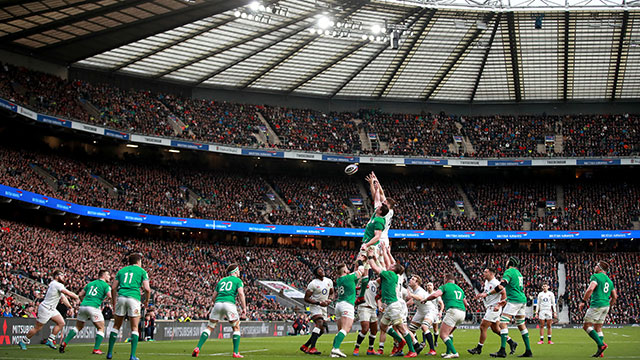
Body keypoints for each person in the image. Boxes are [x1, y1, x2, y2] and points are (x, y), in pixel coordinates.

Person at [367, 247, 417, 358]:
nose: (389, 265)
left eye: (392, 265)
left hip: (393, 305)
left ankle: (412, 350)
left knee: (401, 328)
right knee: (383, 326)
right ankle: (401, 341)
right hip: (389, 305)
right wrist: (378, 256)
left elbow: (375, 268)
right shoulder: (392, 275)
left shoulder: (389, 274)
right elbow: (381, 265)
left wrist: (370, 256)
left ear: (393, 268)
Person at [480, 256, 532, 358]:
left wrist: (488, 293)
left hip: (514, 301)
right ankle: (528, 350)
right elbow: (515, 289)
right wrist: (505, 300)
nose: (506, 262)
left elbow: (501, 286)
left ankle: (502, 351)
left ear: (510, 262)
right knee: (521, 325)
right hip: (522, 300)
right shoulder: (519, 273)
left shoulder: (509, 272)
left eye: (507, 261)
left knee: (503, 323)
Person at [193, 263, 247, 358]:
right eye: (238, 271)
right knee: (236, 327)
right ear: (234, 271)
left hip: (218, 303)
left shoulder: (221, 281)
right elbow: (241, 294)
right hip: (229, 304)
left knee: (210, 327)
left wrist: (217, 304)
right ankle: (235, 352)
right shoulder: (238, 280)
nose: (239, 272)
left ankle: (198, 348)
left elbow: (213, 297)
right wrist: (244, 308)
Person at [18, 270, 80, 350]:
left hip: (52, 309)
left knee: (61, 323)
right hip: (46, 308)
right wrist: (77, 297)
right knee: (37, 328)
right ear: (57, 276)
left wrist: (70, 307)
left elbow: (63, 297)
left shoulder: (56, 285)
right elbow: (67, 293)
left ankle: (50, 340)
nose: (64, 277)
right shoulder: (56, 284)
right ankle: (23, 341)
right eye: (62, 276)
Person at [107, 253, 151, 360]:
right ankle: (132, 355)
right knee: (134, 327)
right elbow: (147, 289)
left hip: (121, 297)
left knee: (116, 326)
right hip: (134, 298)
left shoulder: (121, 271)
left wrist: (114, 302)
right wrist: (146, 301)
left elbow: (113, 288)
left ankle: (109, 353)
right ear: (138, 261)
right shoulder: (142, 271)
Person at [60, 270, 112, 355]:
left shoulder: (90, 284)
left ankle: (64, 343)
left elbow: (80, 295)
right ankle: (96, 349)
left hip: (83, 306)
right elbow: (110, 295)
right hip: (94, 307)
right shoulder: (106, 285)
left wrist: (84, 302)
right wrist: (107, 300)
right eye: (108, 274)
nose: (109, 276)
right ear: (103, 276)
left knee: (78, 327)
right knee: (101, 328)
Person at [468, 268, 517, 355]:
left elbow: (504, 294)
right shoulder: (487, 282)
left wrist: (499, 305)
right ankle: (511, 342)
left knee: (483, 327)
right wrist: (481, 295)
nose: (484, 273)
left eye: (486, 272)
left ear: (491, 274)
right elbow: (487, 292)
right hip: (490, 307)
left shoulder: (496, 283)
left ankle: (479, 348)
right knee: (495, 329)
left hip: (494, 308)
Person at [425, 273, 469, 359]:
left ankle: (454, 353)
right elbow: (466, 303)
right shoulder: (460, 289)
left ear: (446, 280)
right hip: (463, 313)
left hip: (453, 311)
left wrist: (425, 299)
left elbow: (435, 295)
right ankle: (448, 352)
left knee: (443, 334)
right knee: (449, 333)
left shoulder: (445, 286)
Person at [579, 260, 617, 358]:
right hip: (605, 305)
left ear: (600, 268)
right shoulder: (609, 280)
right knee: (598, 327)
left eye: (596, 266)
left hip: (597, 304)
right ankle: (600, 351)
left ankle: (601, 345)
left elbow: (591, 289)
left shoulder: (595, 276)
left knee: (586, 326)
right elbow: (614, 297)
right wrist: (610, 306)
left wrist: (583, 301)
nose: (595, 267)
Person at [330, 262, 365, 358]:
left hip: (338, 305)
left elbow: (352, 280)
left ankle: (334, 351)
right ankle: (335, 349)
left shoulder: (339, 280)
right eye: (346, 268)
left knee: (340, 330)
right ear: (345, 270)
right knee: (346, 329)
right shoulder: (349, 277)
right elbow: (361, 271)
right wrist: (361, 263)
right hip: (347, 305)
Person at [300, 266, 334, 355]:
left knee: (322, 330)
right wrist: (318, 303)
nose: (322, 270)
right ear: (316, 273)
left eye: (322, 269)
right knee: (319, 323)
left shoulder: (328, 281)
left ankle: (305, 346)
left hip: (324, 307)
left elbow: (332, 293)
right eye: (320, 270)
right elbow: (306, 298)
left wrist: (329, 300)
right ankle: (312, 348)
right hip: (315, 306)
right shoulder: (313, 284)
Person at [408, 276, 441, 356]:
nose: (410, 280)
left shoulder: (420, 290)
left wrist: (411, 295)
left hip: (430, 310)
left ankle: (432, 350)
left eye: (413, 279)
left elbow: (419, 298)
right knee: (410, 330)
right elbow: (411, 301)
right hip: (420, 311)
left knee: (424, 327)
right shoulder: (414, 291)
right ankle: (417, 347)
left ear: (417, 283)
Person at [353, 274, 381, 356]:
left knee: (374, 330)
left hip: (373, 309)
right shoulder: (360, 283)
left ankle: (370, 349)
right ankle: (356, 348)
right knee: (365, 329)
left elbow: (381, 278)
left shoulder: (374, 283)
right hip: (364, 307)